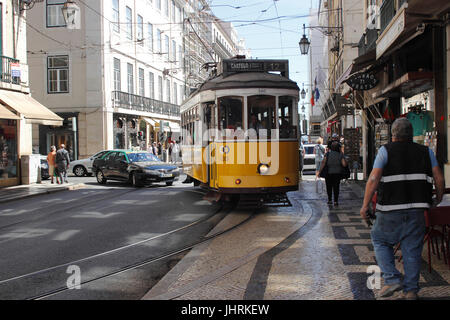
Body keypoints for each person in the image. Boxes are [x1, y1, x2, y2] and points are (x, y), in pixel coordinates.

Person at [360, 118, 445, 300]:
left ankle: (392, 279)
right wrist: (438, 198)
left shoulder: (385, 151)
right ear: (411, 134)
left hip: (389, 210)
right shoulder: (426, 151)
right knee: (412, 250)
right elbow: (439, 177)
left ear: (393, 134)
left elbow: (374, 179)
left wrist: (365, 205)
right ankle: (411, 291)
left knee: (380, 240)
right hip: (417, 210)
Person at [317, 140, 348, 206]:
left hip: (329, 173)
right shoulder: (340, 154)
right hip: (337, 173)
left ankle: (330, 200)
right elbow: (344, 164)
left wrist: (319, 171)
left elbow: (323, 163)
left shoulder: (327, 154)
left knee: (329, 186)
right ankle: (336, 201)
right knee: (336, 187)